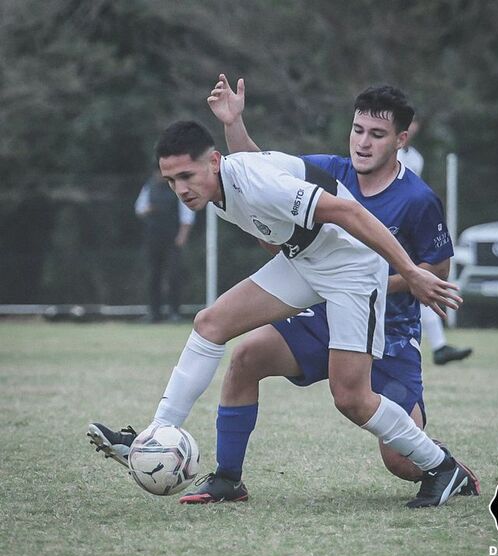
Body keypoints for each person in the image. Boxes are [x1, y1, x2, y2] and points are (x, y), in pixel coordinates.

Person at [88, 104, 471, 509]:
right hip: (305, 262)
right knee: (210, 323)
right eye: (170, 181)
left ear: (215, 162)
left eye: (186, 176)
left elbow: (348, 211)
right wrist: (234, 123)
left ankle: (442, 467)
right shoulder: (218, 187)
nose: (181, 189)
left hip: (351, 271)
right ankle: (161, 437)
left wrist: (410, 272)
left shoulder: (257, 185)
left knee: (351, 398)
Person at [397, 119, 473, 365]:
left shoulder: (416, 158)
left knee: (419, 283)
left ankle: (438, 345)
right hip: (390, 228)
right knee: (413, 283)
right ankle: (437, 346)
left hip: (408, 230)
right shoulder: (387, 152)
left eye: (416, 122)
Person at [135, 170, 195, 322]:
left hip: (173, 239)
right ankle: (154, 313)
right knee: (153, 275)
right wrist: (148, 209)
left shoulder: (178, 188)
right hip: (153, 238)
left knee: (174, 275)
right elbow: (139, 209)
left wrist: (183, 235)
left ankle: (174, 313)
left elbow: (187, 214)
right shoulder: (149, 186)